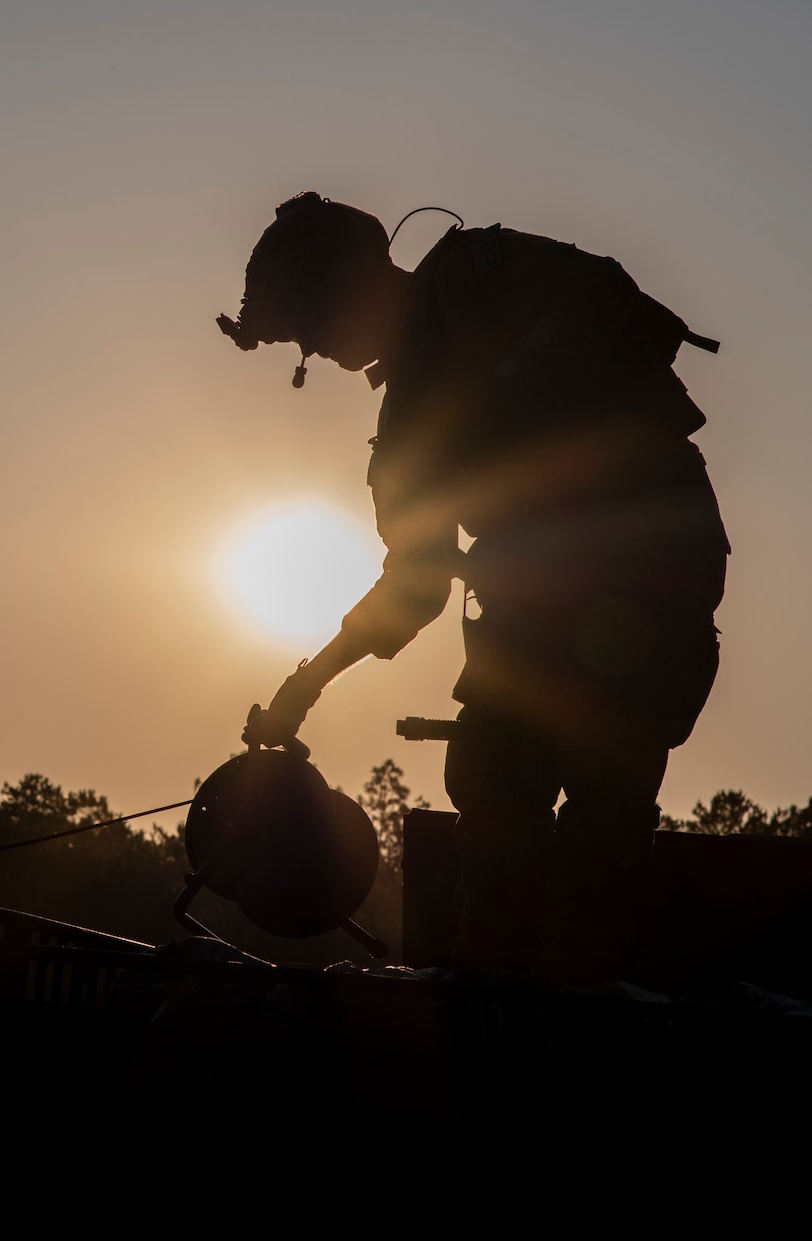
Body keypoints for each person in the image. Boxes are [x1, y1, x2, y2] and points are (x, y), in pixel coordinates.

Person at [222, 193, 729, 979]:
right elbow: (415, 585)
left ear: (350, 280)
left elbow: (605, 299)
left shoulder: (473, 280)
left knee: (605, 788)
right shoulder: (402, 438)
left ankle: (578, 1005)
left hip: (645, 567)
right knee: (491, 778)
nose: (320, 349)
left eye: (313, 323)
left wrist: (517, 397)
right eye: (305, 340)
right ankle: (494, 1004)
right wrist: (307, 683)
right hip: (538, 607)